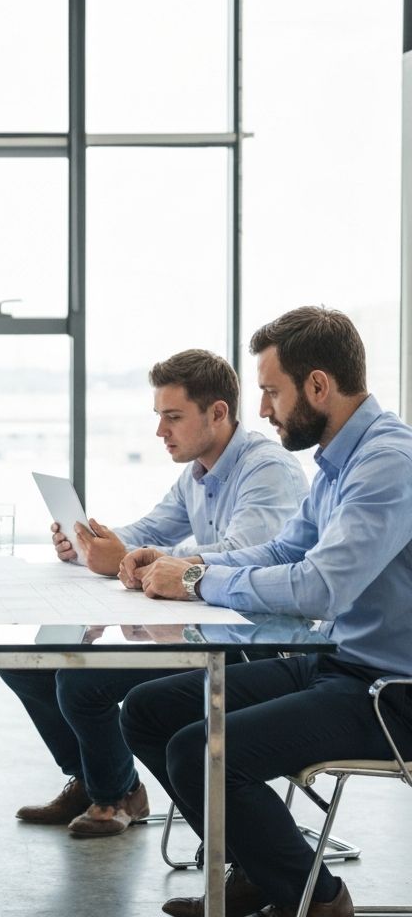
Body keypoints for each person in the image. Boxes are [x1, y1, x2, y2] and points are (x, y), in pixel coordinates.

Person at [119, 306, 412, 917]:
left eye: (271, 392)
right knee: (150, 711)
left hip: (389, 692)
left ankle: (321, 901)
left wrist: (196, 579)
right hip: (334, 662)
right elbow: (284, 550)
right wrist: (175, 562)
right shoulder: (337, 462)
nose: (264, 409)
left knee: (202, 750)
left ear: (318, 386)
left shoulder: (388, 463)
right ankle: (265, 870)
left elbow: (319, 588)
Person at [0, 350, 308, 838]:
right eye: (159, 417)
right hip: (203, 623)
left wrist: (141, 556)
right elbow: (148, 529)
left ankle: (116, 795)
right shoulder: (198, 473)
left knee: (82, 682)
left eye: (173, 417)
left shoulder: (266, 469)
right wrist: (90, 544)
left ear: (219, 413)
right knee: (24, 659)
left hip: (252, 641)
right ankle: (94, 779)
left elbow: (247, 554)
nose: (161, 432)